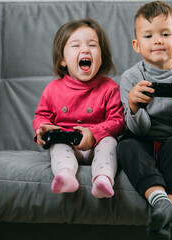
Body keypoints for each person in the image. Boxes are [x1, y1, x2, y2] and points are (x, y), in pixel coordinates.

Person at [116, 1, 172, 239]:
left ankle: (165, 208)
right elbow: (137, 130)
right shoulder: (130, 77)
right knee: (126, 146)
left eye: (165, 34)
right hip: (141, 139)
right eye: (148, 35)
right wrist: (133, 106)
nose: (158, 40)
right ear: (137, 45)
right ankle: (161, 202)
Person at [32, 18, 125, 199]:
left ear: (101, 58)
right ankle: (66, 175)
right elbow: (41, 115)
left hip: (97, 143)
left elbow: (118, 121)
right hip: (67, 142)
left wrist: (95, 133)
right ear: (62, 61)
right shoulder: (53, 89)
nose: (85, 50)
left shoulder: (110, 88)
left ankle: (103, 178)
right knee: (57, 145)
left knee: (111, 143)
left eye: (92, 45)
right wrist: (42, 129)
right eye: (75, 46)